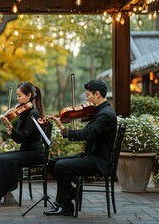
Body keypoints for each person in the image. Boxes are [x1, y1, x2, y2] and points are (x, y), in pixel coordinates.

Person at [42, 79, 117, 216]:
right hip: (91, 156)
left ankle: (65, 205)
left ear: (97, 94)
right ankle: (70, 193)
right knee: (53, 163)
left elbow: (87, 134)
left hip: (98, 161)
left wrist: (63, 129)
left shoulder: (105, 114)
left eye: (88, 94)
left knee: (61, 166)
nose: (86, 98)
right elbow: (90, 128)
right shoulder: (100, 111)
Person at [0, 82, 45, 203]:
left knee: (1, 160)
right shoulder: (25, 113)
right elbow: (18, 139)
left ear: (29, 95)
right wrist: (11, 129)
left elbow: (22, 137)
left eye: (19, 96)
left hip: (35, 153)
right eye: (17, 96)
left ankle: (5, 193)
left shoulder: (33, 113)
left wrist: (10, 126)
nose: (17, 99)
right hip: (25, 151)